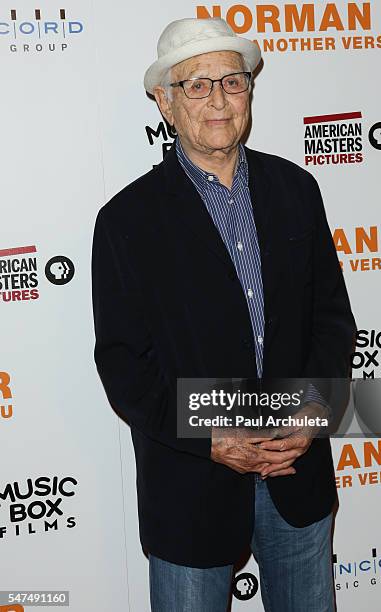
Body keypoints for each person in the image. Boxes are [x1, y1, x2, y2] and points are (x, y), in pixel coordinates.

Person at [91, 16, 356, 612]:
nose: (218, 101)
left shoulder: (297, 190)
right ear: (165, 102)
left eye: (232, 83)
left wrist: (309, 412)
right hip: (191, 485)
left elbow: (332, 320)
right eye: (197, 85)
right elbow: (125, 366)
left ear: (250, 91)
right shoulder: (126, 222)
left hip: (298, 473)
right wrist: (212, 438)